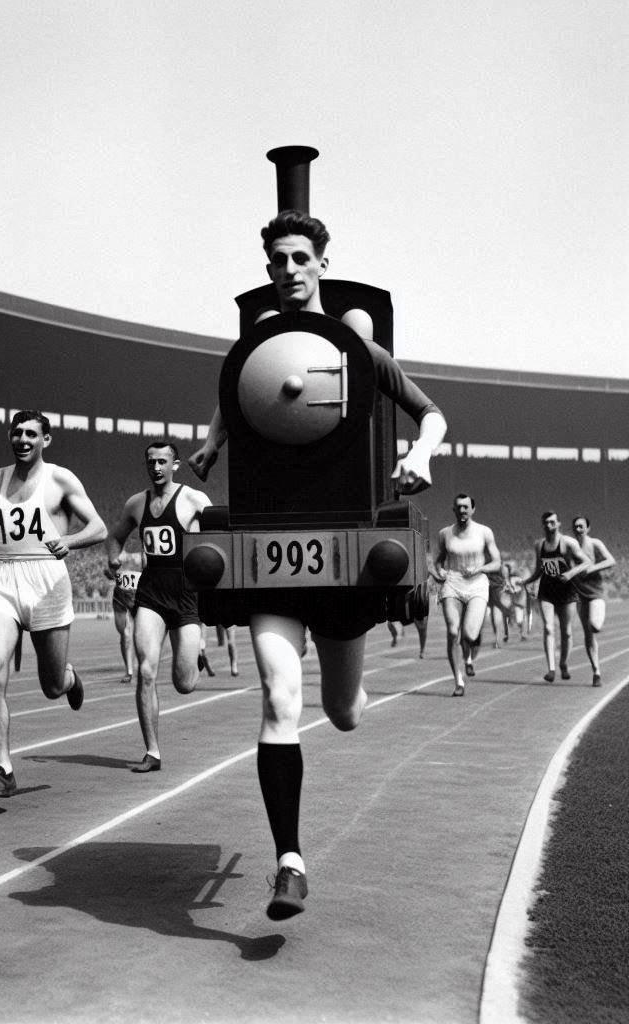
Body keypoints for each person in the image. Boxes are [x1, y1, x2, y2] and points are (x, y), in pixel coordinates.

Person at [188, 209, 447, 920]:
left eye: (302, 256)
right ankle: (290, 864)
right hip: (270, 546)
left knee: (342, 711)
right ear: (268, 267)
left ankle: (353, 698)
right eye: (279, 258)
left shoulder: (358, 349)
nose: (291, 268)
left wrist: (420, 455)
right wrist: (210, 448)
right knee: (278, 697)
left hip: (342, 551)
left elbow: (432, 415)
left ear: (322, 264)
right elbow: (232, 406)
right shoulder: (256, 346)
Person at [0, 411, 106, 797]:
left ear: (46, 440)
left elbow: (98, 527)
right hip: (3, 580)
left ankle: (69, 678)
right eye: (17, 433)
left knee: (51, 686)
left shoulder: (60, 479)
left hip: (47, 582)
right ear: (10, 437)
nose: (23, 439)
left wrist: (69, 542)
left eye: (31, 434)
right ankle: (4, 771)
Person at [105, 441, 211, 772]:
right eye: (151, 462)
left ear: (175, 464)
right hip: (151, 595)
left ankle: (195, 655)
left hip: (186, 594)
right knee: (146, 670)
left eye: (163, 461)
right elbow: (116, 536)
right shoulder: (137, 504)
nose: (156, 467)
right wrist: (113, 557)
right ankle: (152, 752)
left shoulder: (195, 500)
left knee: (184, 683)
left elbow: (221, 536)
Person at [430, 494, 502, 696]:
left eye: (466, 507)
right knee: (453, 631)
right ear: (453, 510)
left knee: (469, 635)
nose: (462, 510)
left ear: (473, 509)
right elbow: (438, 560)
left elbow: (497, 562)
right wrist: (439, 571)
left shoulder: (484, 532)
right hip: (453, 584)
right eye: (458, 507)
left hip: (477, 585)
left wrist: (481, 569)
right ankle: (458, 681)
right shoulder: (445, 533)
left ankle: (471, 644)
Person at [513, 512, 589, 682]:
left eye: (552, 522)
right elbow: (540, 568)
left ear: (558, 524)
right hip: (547, 590)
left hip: (567, 590)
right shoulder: (539, 544)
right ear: (543, 525)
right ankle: (551, 669)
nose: (549, 526)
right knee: (548, 628)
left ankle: (563, 663)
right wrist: (527, 581)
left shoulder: (568, 543)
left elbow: (586, 562)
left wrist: (570, 574)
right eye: (546, 523)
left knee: (566, 632)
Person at [570, 516, 616, 686]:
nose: (578, 529)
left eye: (581, 526)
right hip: (581, 596)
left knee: (594, 626)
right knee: (588, 634)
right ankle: (596, 671)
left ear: (588, 528)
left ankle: (597, 625)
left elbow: (611, 560)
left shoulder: (595, 543)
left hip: (596, 593)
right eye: (575, 526)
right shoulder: (570, 547)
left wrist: (591, 569)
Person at [110, 549, 143, 684]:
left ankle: (144, 665)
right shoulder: (113, 549)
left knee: (141, 634)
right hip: (121, 596)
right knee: (125, 634)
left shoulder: (144, 549)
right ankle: (129, 671)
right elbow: (108, 572)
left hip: (140, 595)